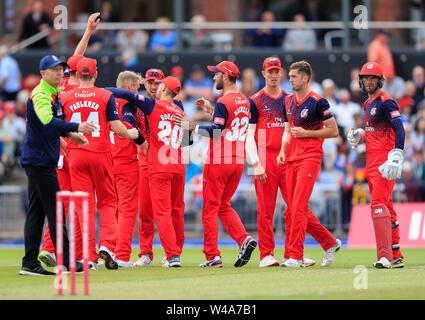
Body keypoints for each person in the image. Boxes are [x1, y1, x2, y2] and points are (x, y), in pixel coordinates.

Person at [174, 61, 257, 268]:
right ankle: (244, 239)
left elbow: (217, 131)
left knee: (209, 209)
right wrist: (213, 113)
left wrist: (192, 127)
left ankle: (212, 256)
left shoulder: (224, 100)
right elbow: (227, 125)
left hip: (219, 159)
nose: (214, 78)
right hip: (237, 161)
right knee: (223, 205)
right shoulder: (244, 101)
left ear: (226, 77)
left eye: (217, 74)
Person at [19, 55, 96, 276]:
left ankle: (30, 263)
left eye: (61, 68)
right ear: (43, 74)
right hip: (40, 162)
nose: (59, 72)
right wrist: (77, 127)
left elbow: (53, 126)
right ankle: (66, 262)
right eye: (54, 69)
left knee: (37, 213)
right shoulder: (42, 93)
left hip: (39, 160)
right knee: (55, 211)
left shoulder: (53, 93)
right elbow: (46, 120)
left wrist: (71, 134)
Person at [60, 58, 139, 270]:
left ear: (77, 74)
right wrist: (131, 133)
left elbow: (57, 126)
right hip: (100, 153)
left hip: (76, 154)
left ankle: (88, 258)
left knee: (83, 206)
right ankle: (107, 245)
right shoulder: (105, 95)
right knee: (108, 202)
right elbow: (117, 127)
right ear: (95, 75)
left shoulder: (64, 96)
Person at [37, 13, 101, 268]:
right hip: (76, 152)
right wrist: (87, 31)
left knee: (60, 204)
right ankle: (77, 253)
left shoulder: (60, 88)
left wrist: (87, 32)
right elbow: (77, 57)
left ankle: (51, 248)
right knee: (77, 206)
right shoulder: (81, 90)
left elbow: (76, 56)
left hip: (60, 154)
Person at [109, 76, 188, 267]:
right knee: (176, 211)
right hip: (178, 165)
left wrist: (101, 90)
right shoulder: (180, 111)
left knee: (162, 213)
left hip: (159, 166)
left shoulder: (154, 105)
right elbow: (186, 142)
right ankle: (174, 252)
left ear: (163, 89)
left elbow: (127, 94)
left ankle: (172, 256)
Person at [276, 60, 341, 268]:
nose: (290, 79)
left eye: (294, 76)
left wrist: (307, 133)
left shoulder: (318, 102)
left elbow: (334, 131)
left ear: (305, 78)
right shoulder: (288, 101)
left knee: (297, 206)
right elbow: (288, 129)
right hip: (292, 157)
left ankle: (295, 256)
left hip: (311, 157)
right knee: (291, 210)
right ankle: (329, 243)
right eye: (290, 76)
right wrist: (282, 150)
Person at [347, 62, 406, 269]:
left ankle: (385, 256)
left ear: (380, 80)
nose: (369, 82)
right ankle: (395, 254)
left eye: (372, 78)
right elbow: (373, 129)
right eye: (366, 78)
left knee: (379, 206)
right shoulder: (367, 104)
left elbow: (400, 130)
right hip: (371, 160)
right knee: (386, 206)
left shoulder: (386, 102)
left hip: (384, 161)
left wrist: (396, 154)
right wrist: (361, 135)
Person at [245, 57, 294, 267]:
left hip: (287, 155)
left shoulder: (289, 99)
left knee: (294, 207)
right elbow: (248, 135)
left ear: (281, 73)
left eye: (277, 71)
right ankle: (266, 254)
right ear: (263, 73)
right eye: (270, 71)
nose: (274, 75)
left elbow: (290, 129)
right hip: (265, 155)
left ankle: (292, 253)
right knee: (265, 209)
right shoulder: (255, 100)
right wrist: (255, 163)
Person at [107, 71, 146, 267]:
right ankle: (122, 255)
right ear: (130, 85)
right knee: (128, 209)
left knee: (109, 208)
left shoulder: (104, 100)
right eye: (138, 86)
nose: (139, 90)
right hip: (126, 160)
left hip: (106, 160)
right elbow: (129, 127)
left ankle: (107, 248)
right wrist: (144, 144)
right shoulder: (129, 103)